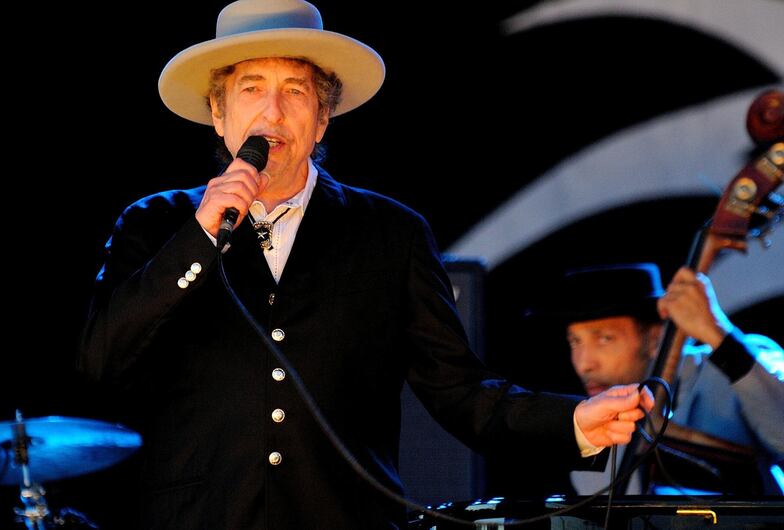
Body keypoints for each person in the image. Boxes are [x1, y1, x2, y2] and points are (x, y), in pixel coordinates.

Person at [77, 1, 652, 528]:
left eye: (296, 91)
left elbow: (458, 391)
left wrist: (574, 422)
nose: (273, 112)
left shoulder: (390, 234)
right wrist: (200, 238)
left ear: (322, 120)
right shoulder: (154, 223)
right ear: (218, 115)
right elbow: (101, 361)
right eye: (252, 88)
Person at [556, 263, 784, 495]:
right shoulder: (594, 424)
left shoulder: (739, 365)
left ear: (656, 338)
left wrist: (721, 338)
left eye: (605, 339)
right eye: (575, 341)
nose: (584, 364)